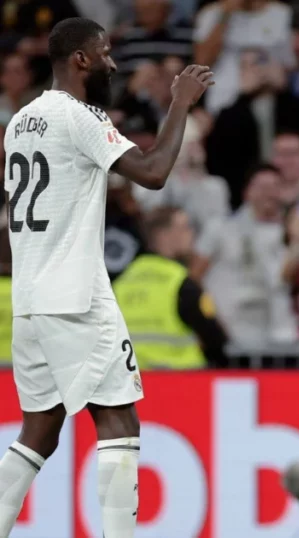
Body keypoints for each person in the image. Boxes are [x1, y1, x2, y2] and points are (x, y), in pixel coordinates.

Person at [0, 17, 212, 538]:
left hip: (28, 298)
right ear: (80, 60)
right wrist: (180, 101)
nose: (112, 62)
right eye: (105, 52)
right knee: (120, 422)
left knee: (39, 430)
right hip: (75, 294)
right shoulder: (77, 116)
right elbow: (155, 171)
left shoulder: (19, 121)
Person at [114, 206, 229, 369]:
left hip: (136, 383)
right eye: (184, 227)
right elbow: (215, 337)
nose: (191, 234)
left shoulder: (122, 281)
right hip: (181, 381)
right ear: (163, 235)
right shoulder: (181, 282)